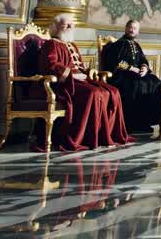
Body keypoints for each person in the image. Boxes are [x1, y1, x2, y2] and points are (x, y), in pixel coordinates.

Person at [38, 14, 133, 151]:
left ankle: (106, 135)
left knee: (113, 91)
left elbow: (79, 66)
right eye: (66, 24)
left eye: (72, 24)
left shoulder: (72, 45)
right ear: (56, 27)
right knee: (94, 93)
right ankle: (88, 138)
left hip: (80, 80)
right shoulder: (51, 44)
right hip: (64, 84)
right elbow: (51, 65)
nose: (70, 26)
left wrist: (87, 72)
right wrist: (71, 75)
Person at [102, 19, 161, 133]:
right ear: (126, 28)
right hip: (121, 76)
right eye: (130, 27)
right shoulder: (119, 44)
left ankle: (145, 122)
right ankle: (131, 124)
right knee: (136, 85)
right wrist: (132, 68)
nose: (132, 30)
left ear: (138, 31)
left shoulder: (136, 45)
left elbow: (143, 60)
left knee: (154, 82)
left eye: (135, 28)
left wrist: (144, 68)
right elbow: (115, 62)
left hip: (136, 74)